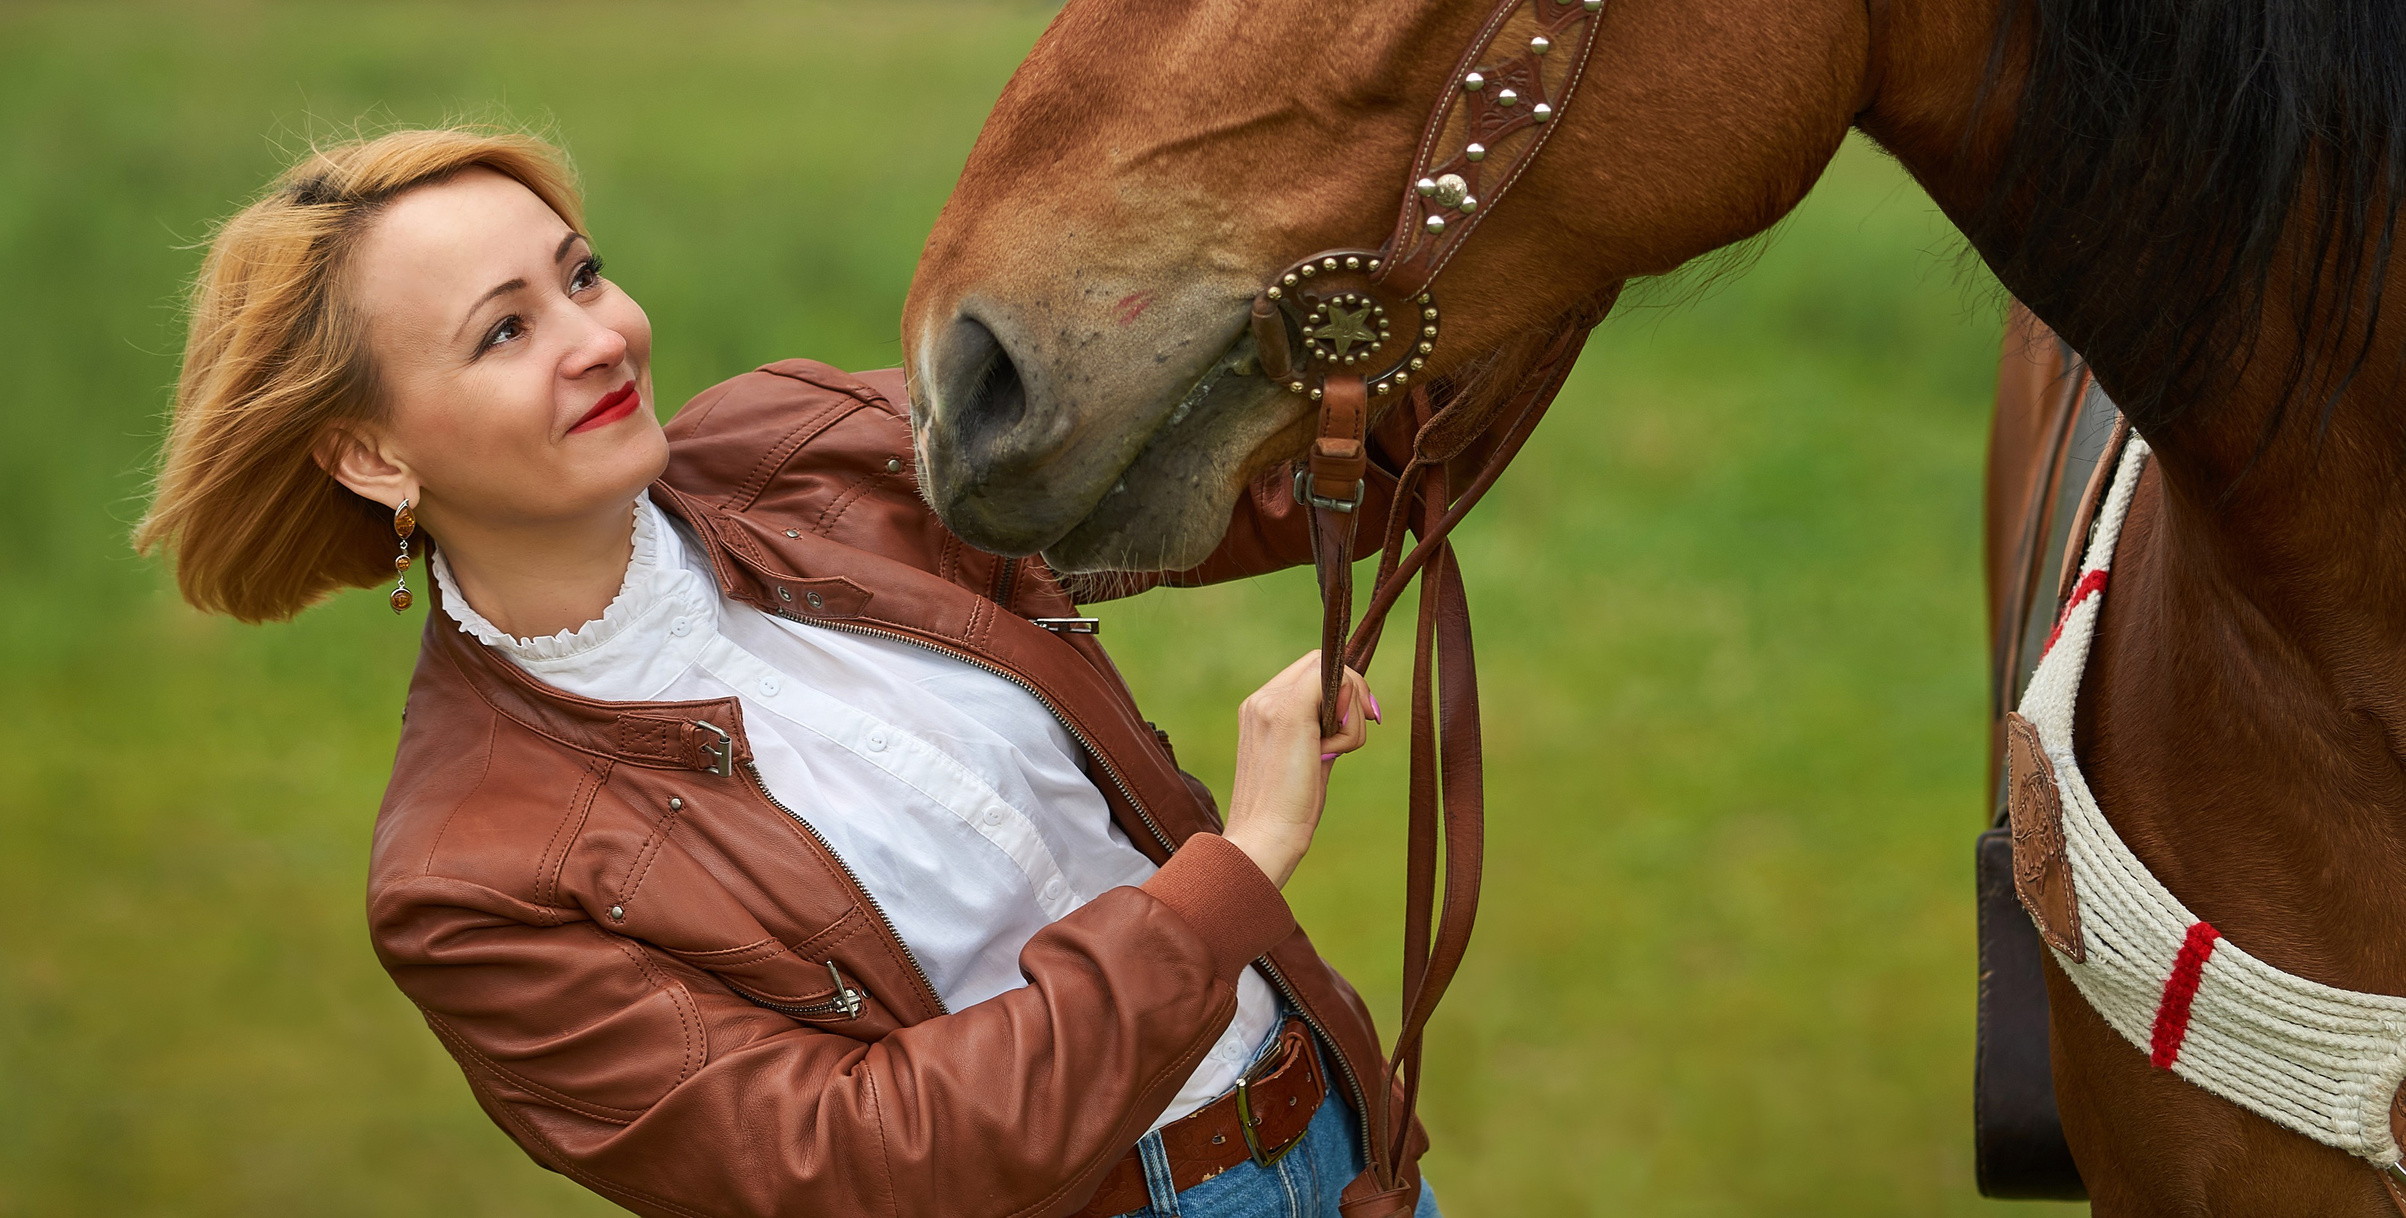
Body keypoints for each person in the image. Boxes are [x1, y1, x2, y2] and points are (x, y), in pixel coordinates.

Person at [135, 128, 1441, 1218]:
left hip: (1342, 1145)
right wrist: (1235, 868)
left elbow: (1215, 480)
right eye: (506, 332)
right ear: (372, 457)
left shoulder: (804, 445)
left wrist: (1442, 319)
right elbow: (860, 1161)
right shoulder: (471, 880)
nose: (598, 339)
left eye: (582, 276)